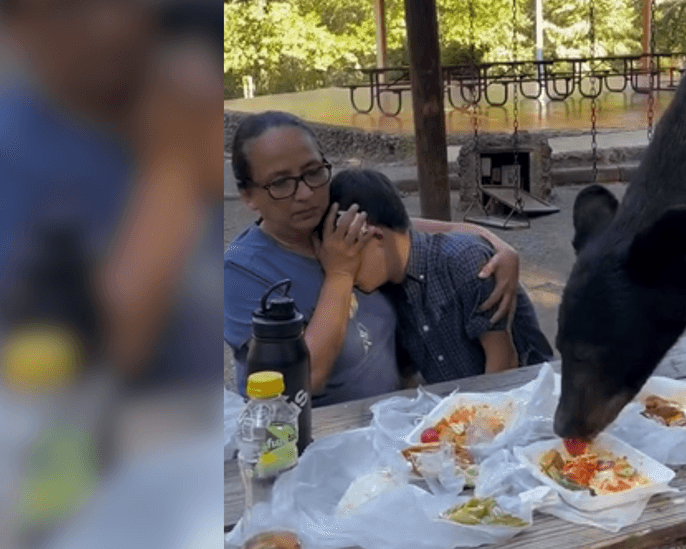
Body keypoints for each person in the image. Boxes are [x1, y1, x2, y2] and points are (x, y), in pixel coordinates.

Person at [0, 0, 223, 387]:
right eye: (67, 4)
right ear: (14, 28)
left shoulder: (197, 73)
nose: (109, 24)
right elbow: (91, 365)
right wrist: (175, 165)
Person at [224, 111, 524, 404]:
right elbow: (304, 379)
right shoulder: (241, 272)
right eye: (280, 183)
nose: (304, 193)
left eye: (313, 172)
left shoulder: (336, 222)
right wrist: (339, 275)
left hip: (394, 424)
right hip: (314, 440)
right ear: (248, 195)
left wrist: (500, 248)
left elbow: (408, 230)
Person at [318, 169, 553, 384]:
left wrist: (476, 426)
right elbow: (407, 374)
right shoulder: (388, 289)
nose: (346, 273)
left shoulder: (465, 261)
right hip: (456, 411)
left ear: (374, 236)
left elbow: (503, 363)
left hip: (521, 400)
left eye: (349, 257)